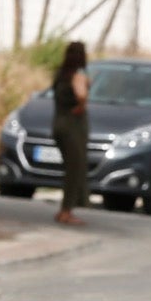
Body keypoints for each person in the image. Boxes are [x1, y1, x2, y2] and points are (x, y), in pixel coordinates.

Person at [50, 41, 90, 226]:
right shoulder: (78, 75)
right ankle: (66, 211)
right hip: (73, 126)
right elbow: (81, 94)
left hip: (58, 123)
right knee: (75, 169)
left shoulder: (60, 75)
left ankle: (64, 209)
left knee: (69, 168)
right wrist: (81, 105)